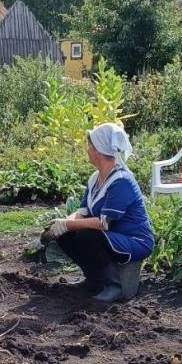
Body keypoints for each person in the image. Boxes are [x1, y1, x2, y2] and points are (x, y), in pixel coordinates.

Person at [43, 122, 154, 302]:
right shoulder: (95, 179)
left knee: (87, 234)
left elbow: (104, 223)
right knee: (66, 236)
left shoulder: (121, 181)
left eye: (90, 146)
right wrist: (63, 224)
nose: (87, 150)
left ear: (98, 150)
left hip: (134, 240)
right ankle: (93, 280)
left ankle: (114, 286)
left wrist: (68, 224)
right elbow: (82, 212)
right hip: (112, 236)